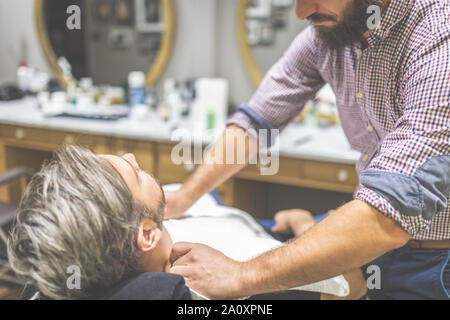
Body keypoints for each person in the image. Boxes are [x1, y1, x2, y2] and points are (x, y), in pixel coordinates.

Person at [165, 0, 450, 300]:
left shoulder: (438, 34)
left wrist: (240, 275)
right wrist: (185, 197)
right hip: (377, 245)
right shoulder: (331, 32)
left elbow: (393, 209)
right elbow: (257, 121)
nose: (301, 12)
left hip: (434, 261)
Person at [7, 146, 366, 300]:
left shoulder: (69, 278)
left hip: (240, 220)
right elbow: (352, 284)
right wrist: (305, 226)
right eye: (134, 173)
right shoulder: (209, 288)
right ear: (146, 234)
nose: (133, 157)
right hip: (279, 233)